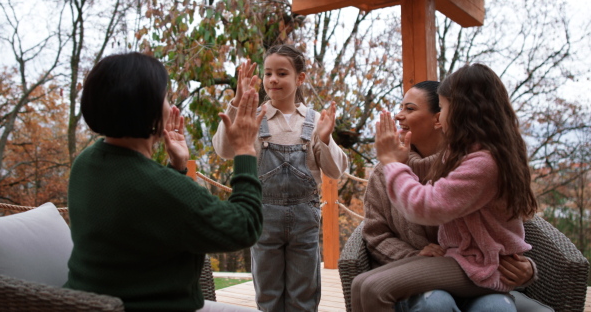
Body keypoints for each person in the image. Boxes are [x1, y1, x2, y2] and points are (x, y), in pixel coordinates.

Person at [65, 52, 264, 312]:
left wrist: (177, 167)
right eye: (165, 98)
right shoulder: (160, 188)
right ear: (146, 108)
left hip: (84, 302)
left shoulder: (86, 162)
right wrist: (245, 150)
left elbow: (148, 219)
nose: (171, 107)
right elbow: (245, 226)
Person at [352, 63, 539, 311]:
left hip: (478, 265)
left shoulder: (482, 162)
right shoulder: (461, 154)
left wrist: (392, 163)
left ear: (464, 110)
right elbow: (379, 230)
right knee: (360, 284)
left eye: (444, 108)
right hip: (461, 260)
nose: (441, 116)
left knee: (375, 288)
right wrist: (394, 162)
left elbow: (427, 205)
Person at [213, 44, 348, 311]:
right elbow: (224, 150)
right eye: (268, 73)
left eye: (282, 73)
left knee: (304, 296)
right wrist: (236, 104)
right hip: (263, 219)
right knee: (268, 295)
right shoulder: (254, 115)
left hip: (304, 222)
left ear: (300, 78)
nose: (273, 79)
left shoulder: (313, 121)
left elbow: (335, 170)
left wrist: (325, 137)